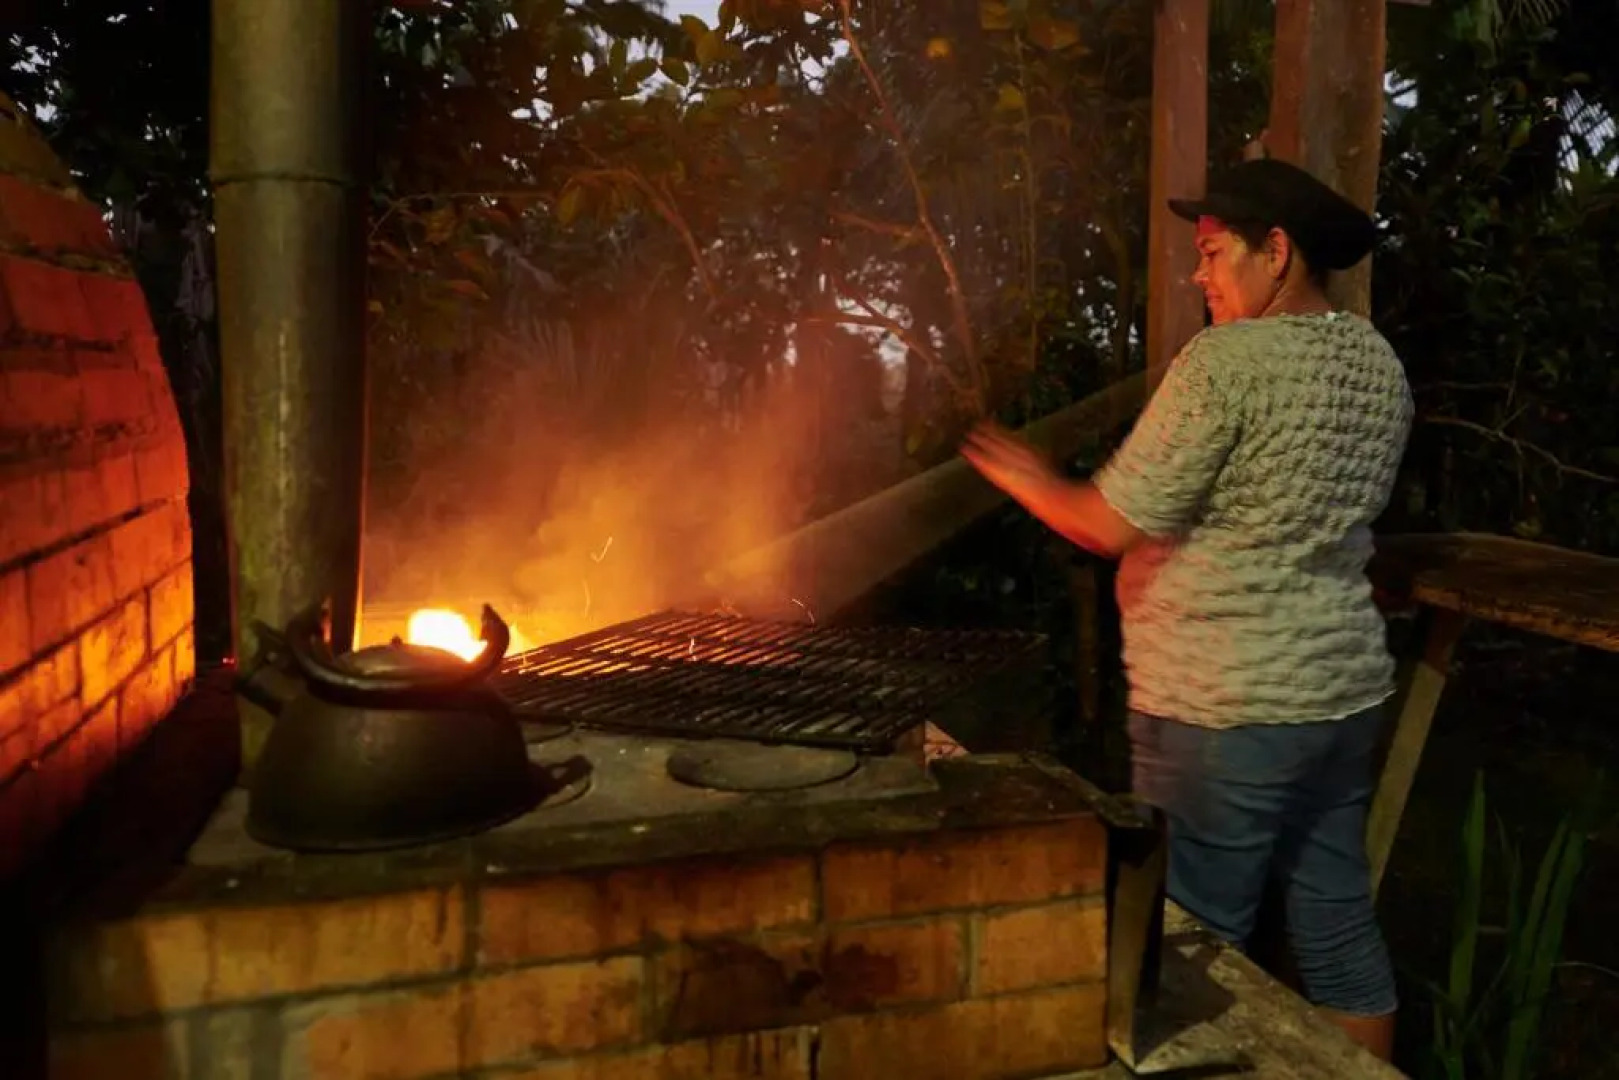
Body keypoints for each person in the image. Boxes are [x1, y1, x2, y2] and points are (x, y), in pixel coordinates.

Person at [961, 158, 1413, 1061]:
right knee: (1336, 931)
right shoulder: (1375, 361)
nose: (1196, 274)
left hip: (1221, 706)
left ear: (1274, 252)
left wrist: (1025, 476)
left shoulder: (1225, 363)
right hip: (1338, 699)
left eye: (1211, 253)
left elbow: (1108, 523)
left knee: (1188, 946)